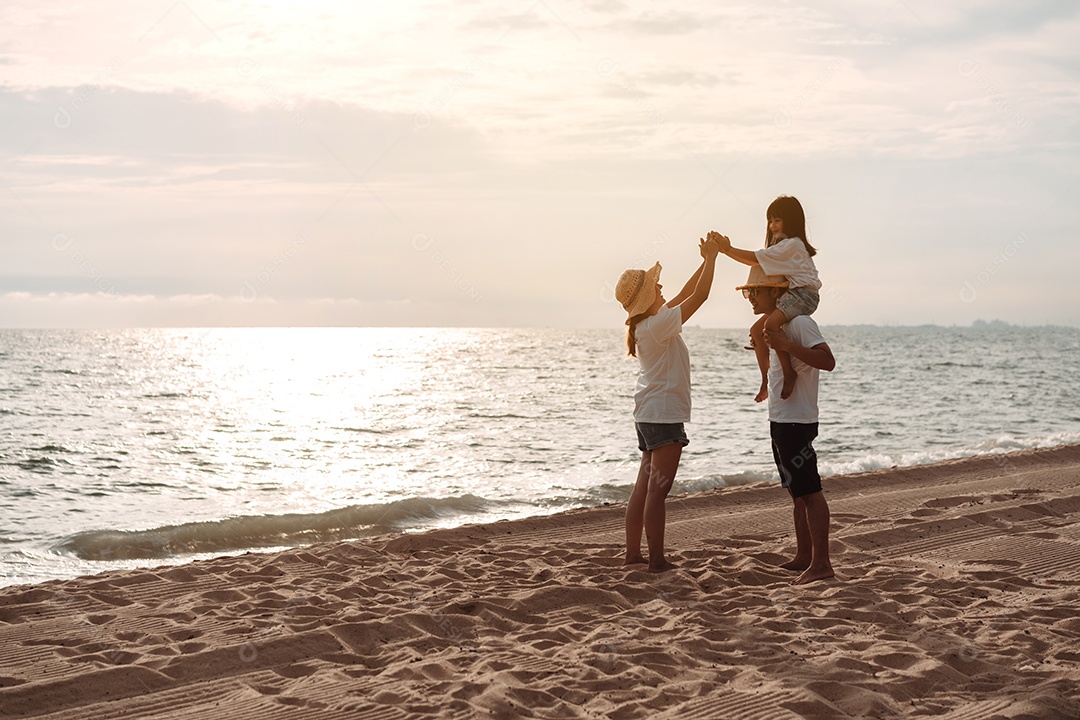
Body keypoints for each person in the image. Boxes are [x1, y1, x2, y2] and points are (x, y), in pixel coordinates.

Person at [614, 236, 720, 572]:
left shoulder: (648, 324)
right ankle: (657, 560)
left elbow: (688, 292)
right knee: (658, 491)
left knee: (643, 487)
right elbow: (700, 296)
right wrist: (715, 259)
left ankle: (634, 554)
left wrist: (705, 260)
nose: (661, 287)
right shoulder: (658, 325)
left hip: (647, 414)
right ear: (646, 299)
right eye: (656, 286)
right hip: (662, 415)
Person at [738, 266, 836, 585]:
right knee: (797, 494)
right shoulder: (770, 328)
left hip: (798, 419)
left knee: (811, 493)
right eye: (748, 292)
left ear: (777, 293)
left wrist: (788, 345)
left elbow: (828, 361)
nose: (751, 297)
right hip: (780, 418)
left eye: (757, 291)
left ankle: (822, 564)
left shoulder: (801, 323)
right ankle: (804, 556)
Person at [708, 195, 821, 402]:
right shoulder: (781, 245)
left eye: (777, 220)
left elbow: (754, 259)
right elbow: (756, 262)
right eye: (770, 221)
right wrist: (726, 251)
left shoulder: (792, 245)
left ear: (791, 221)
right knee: (756, 332)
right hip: (792, 293)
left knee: (770, 325)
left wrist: (727, 250)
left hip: (805, 295)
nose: (772, 226)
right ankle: (765, 380)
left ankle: (789, 373)